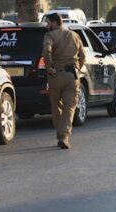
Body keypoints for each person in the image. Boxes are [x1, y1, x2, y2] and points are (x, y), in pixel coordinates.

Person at [42, 13, 86, 149]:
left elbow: (46, 51)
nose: (47, 25)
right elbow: (83, 55)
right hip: (72, 76)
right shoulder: (74, 35)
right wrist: (78, 67)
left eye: (48, 22)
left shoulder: (50, 36)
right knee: (69, 108)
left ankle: (61, 134)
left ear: (54, 23)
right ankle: (64, 136)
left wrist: (49, 68)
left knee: (56, 107)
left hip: (56, 76)